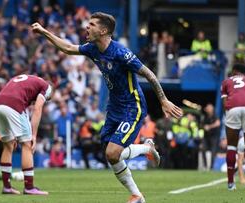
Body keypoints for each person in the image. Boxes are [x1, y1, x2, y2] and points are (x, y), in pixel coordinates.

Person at [32, 12, 183, 203]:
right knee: (110, 155)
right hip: (114, 107)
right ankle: (143, 162)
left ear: (103, 31)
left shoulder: (121, 53)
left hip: (132, 106)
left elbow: (149, 74)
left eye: (92, 24)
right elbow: (69, 48)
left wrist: (163, 100)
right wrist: (45, 32)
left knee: (113, 152)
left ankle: (138, 188)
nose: (87, 27)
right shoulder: (93, 49)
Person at [0, 74, 52, 195]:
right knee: (27, 144)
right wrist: (34, 135)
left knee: (8, 146)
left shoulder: (26, 79)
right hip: (13, 105)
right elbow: (37, 109)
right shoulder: (47, 88)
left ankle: (7, 187)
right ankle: (29, 187)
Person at [221, 63, 245, 191]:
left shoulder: (227, 81)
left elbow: (224, 101)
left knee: (232, 146)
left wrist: (228, 117)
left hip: (233, 107)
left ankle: (231, 184)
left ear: (234, 71)